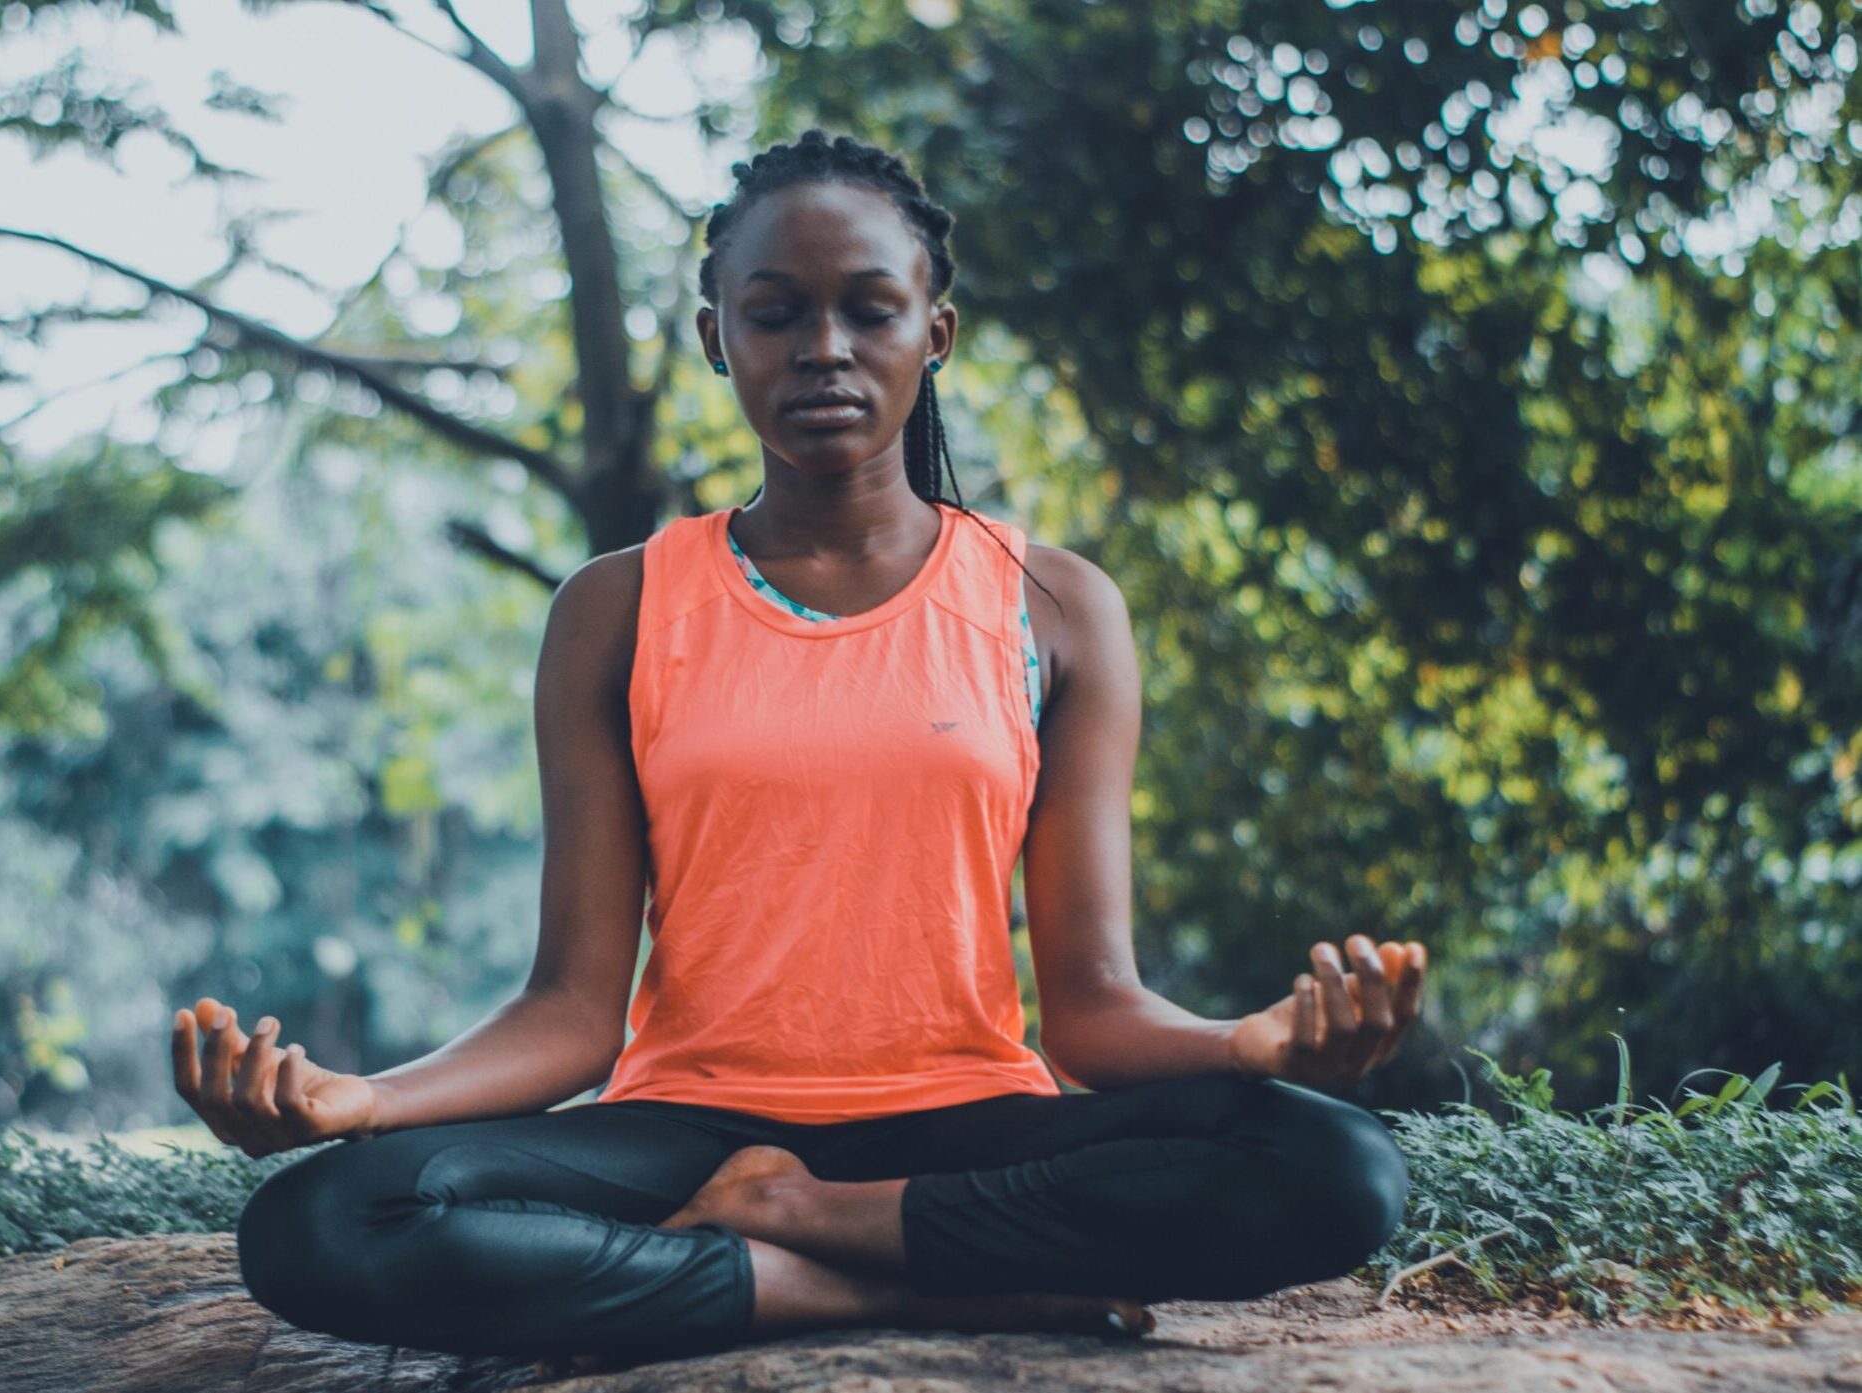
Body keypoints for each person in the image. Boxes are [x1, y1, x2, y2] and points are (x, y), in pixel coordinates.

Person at [175, 129, 1429, 1367]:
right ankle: (874, 1293)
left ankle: (799, 1225)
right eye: (774, 314)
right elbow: (568, 1011)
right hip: (686, 1130)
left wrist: (1250, 1046)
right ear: (718, 334)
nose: (823, 348)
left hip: (965, 1124)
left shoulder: (1051, 605)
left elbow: (1093, 1013)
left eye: (868, 311)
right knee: (327, 1220)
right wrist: (364, 1100)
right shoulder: (618, 608)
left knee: (1334, 1166)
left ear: (932, 332)